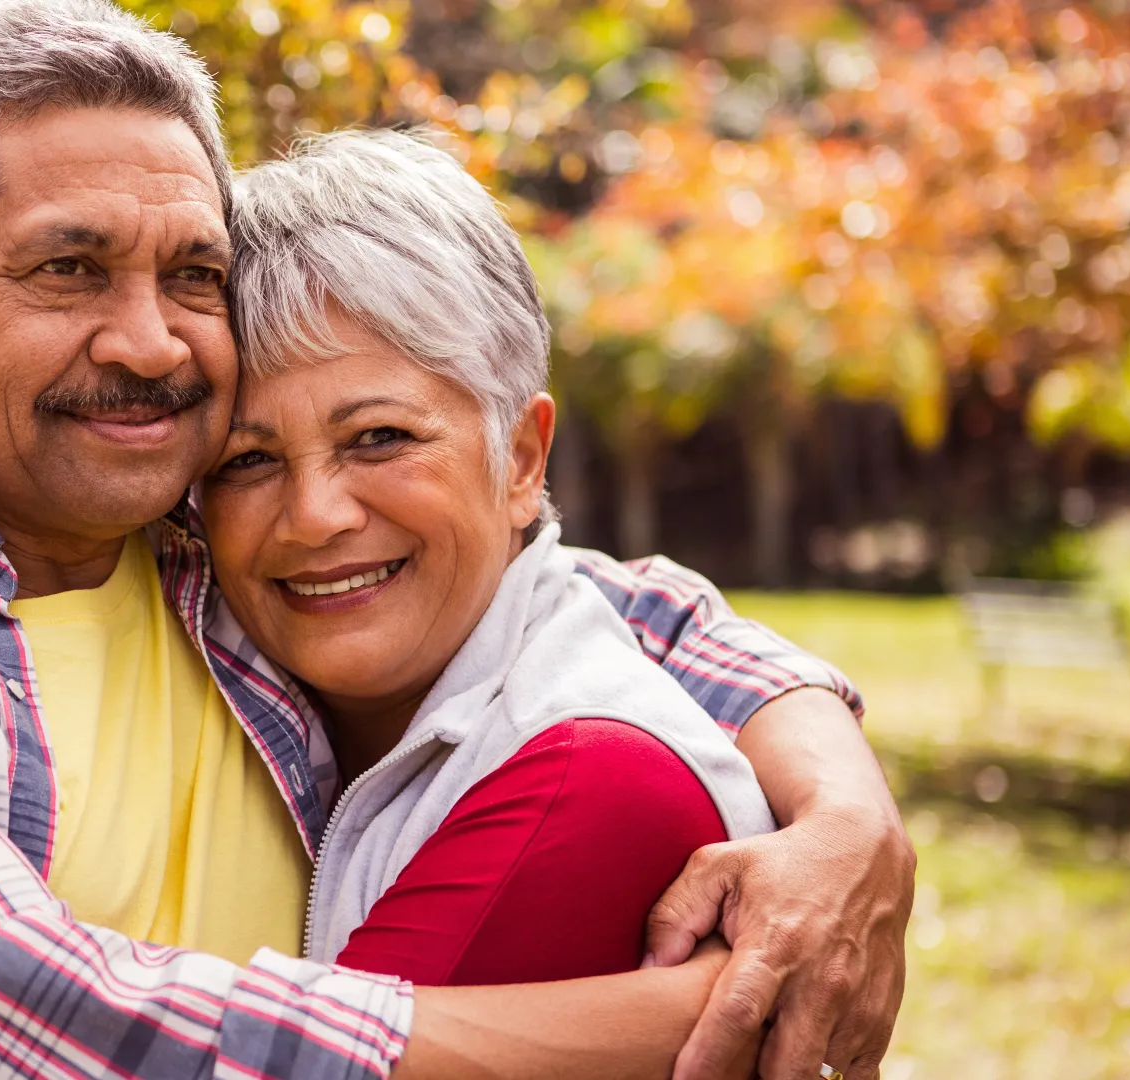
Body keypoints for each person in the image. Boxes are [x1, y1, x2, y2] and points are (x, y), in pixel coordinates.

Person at [0, 1, 915, 1077]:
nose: (150, 342)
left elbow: (584, 597)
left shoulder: (209, 540)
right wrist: (660, 1029)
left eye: (192, 275)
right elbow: (12, 1021)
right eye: (69, 268)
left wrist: (848, 816)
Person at [201, 128, 776, 989]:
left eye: (379, 438)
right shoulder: (211, 663)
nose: (314, 517)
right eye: (246, 460)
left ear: (520, 460)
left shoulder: (590, 781)